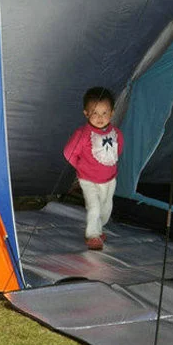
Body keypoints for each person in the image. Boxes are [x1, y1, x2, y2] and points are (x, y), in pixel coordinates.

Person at [63, 87, 124, 250]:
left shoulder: (116, 133)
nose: (100, 117)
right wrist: (81, 167)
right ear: (86, 113)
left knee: (106, 208)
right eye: (95, 113)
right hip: (88, 180)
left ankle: (98, 228)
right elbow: (68, 152)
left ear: (112, 113)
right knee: (94, 207)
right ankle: (92, 235)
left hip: (109, 179)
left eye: (104, 113)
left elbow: (117, 150)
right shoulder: (82, 134)